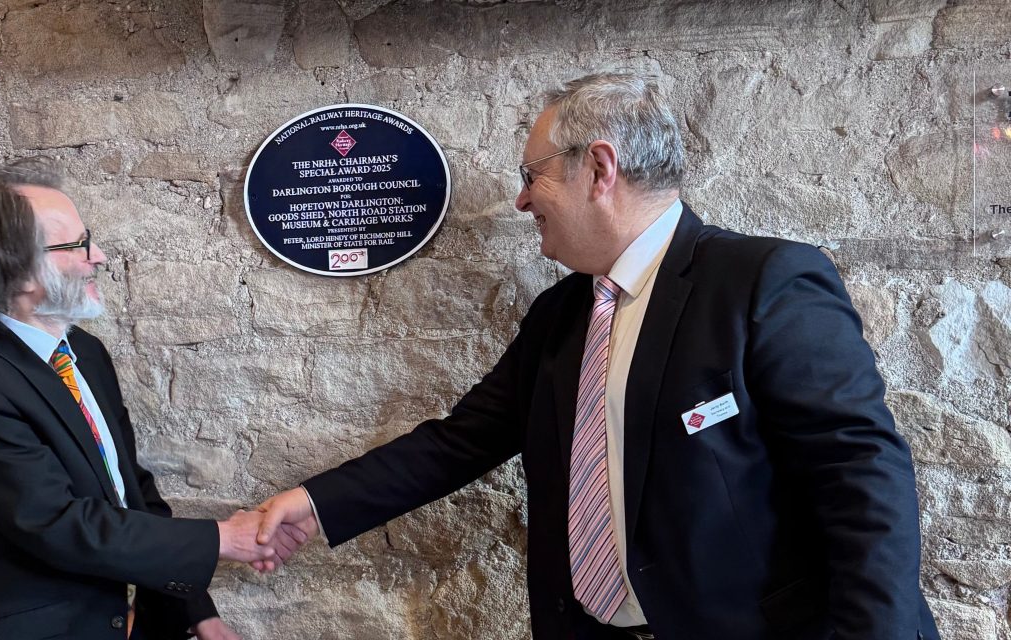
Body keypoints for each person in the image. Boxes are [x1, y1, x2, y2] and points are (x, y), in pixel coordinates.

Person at [255, 73, 938, 639]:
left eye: (532, 175)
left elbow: (862, 478)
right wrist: (315, 504)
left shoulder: (764, 281)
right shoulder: (562, 316)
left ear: (600, 168)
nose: (522, 199)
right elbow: (458, 444)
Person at [0, 158, 303, 640]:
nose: (98, 255)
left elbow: (130, 492)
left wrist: (194, 611)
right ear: (14, 270)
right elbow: (57, 524)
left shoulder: (84, 352)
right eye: (76, 244)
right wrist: (224, 539)